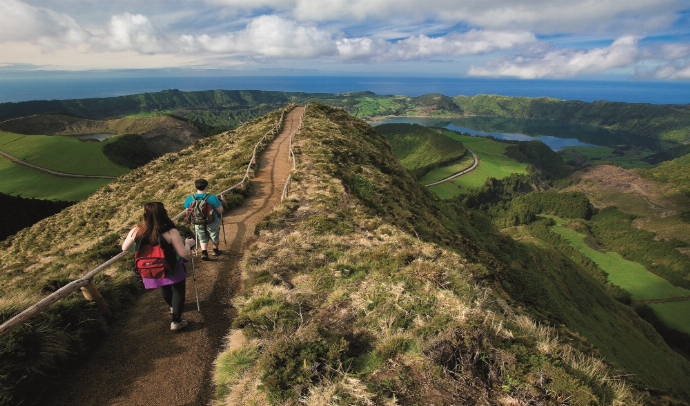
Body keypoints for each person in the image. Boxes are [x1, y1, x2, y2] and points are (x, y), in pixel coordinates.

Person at [122, 202, 195, 331]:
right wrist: (188, 244)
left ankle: (173, 308)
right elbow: (182, 253)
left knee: (164, 286)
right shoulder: (171, 231)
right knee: (178, 290)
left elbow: (124, 248)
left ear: (145, 214)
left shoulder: (137, 230)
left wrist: (143, 248)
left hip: (152, 267)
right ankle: (176, 321)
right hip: (171, 265)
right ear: (164, 213)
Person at [184, 178, 224, 261]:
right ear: (207, 186)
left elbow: (187, 212)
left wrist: (191, 220)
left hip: (197, 222)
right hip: (212, 221)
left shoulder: (190, 198)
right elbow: (220, 211)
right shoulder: (212, 197)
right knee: (214, 235)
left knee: (202, 237)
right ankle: (215, 250)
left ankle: (204, 252)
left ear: (196, 187)